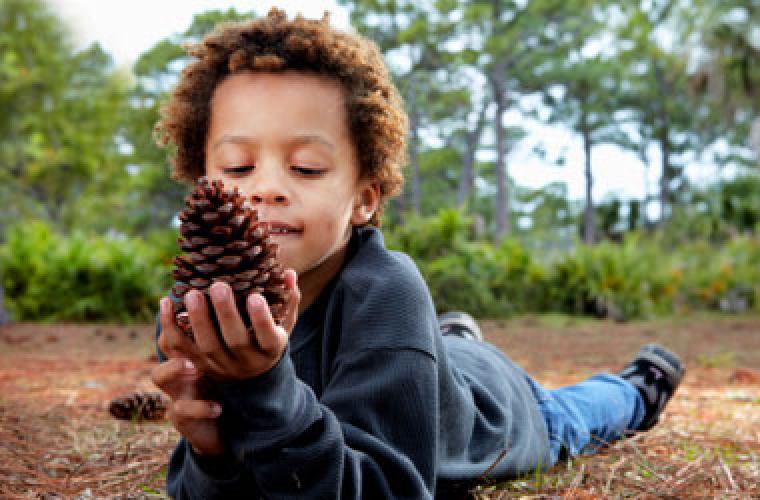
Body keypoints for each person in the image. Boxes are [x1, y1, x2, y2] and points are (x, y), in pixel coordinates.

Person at [150, 8, 684, 499]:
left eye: (307, 167)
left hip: (496, 409)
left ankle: (639, 386)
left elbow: (391, 487)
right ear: (202, 186)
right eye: (238, 167)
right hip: (421, 364)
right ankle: (447, 340)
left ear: (363, 199)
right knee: (436, 355)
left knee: (568, 420)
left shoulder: (384, 292)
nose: (265, 187)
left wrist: (264, 388)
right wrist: (210, 450)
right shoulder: (197, 316)